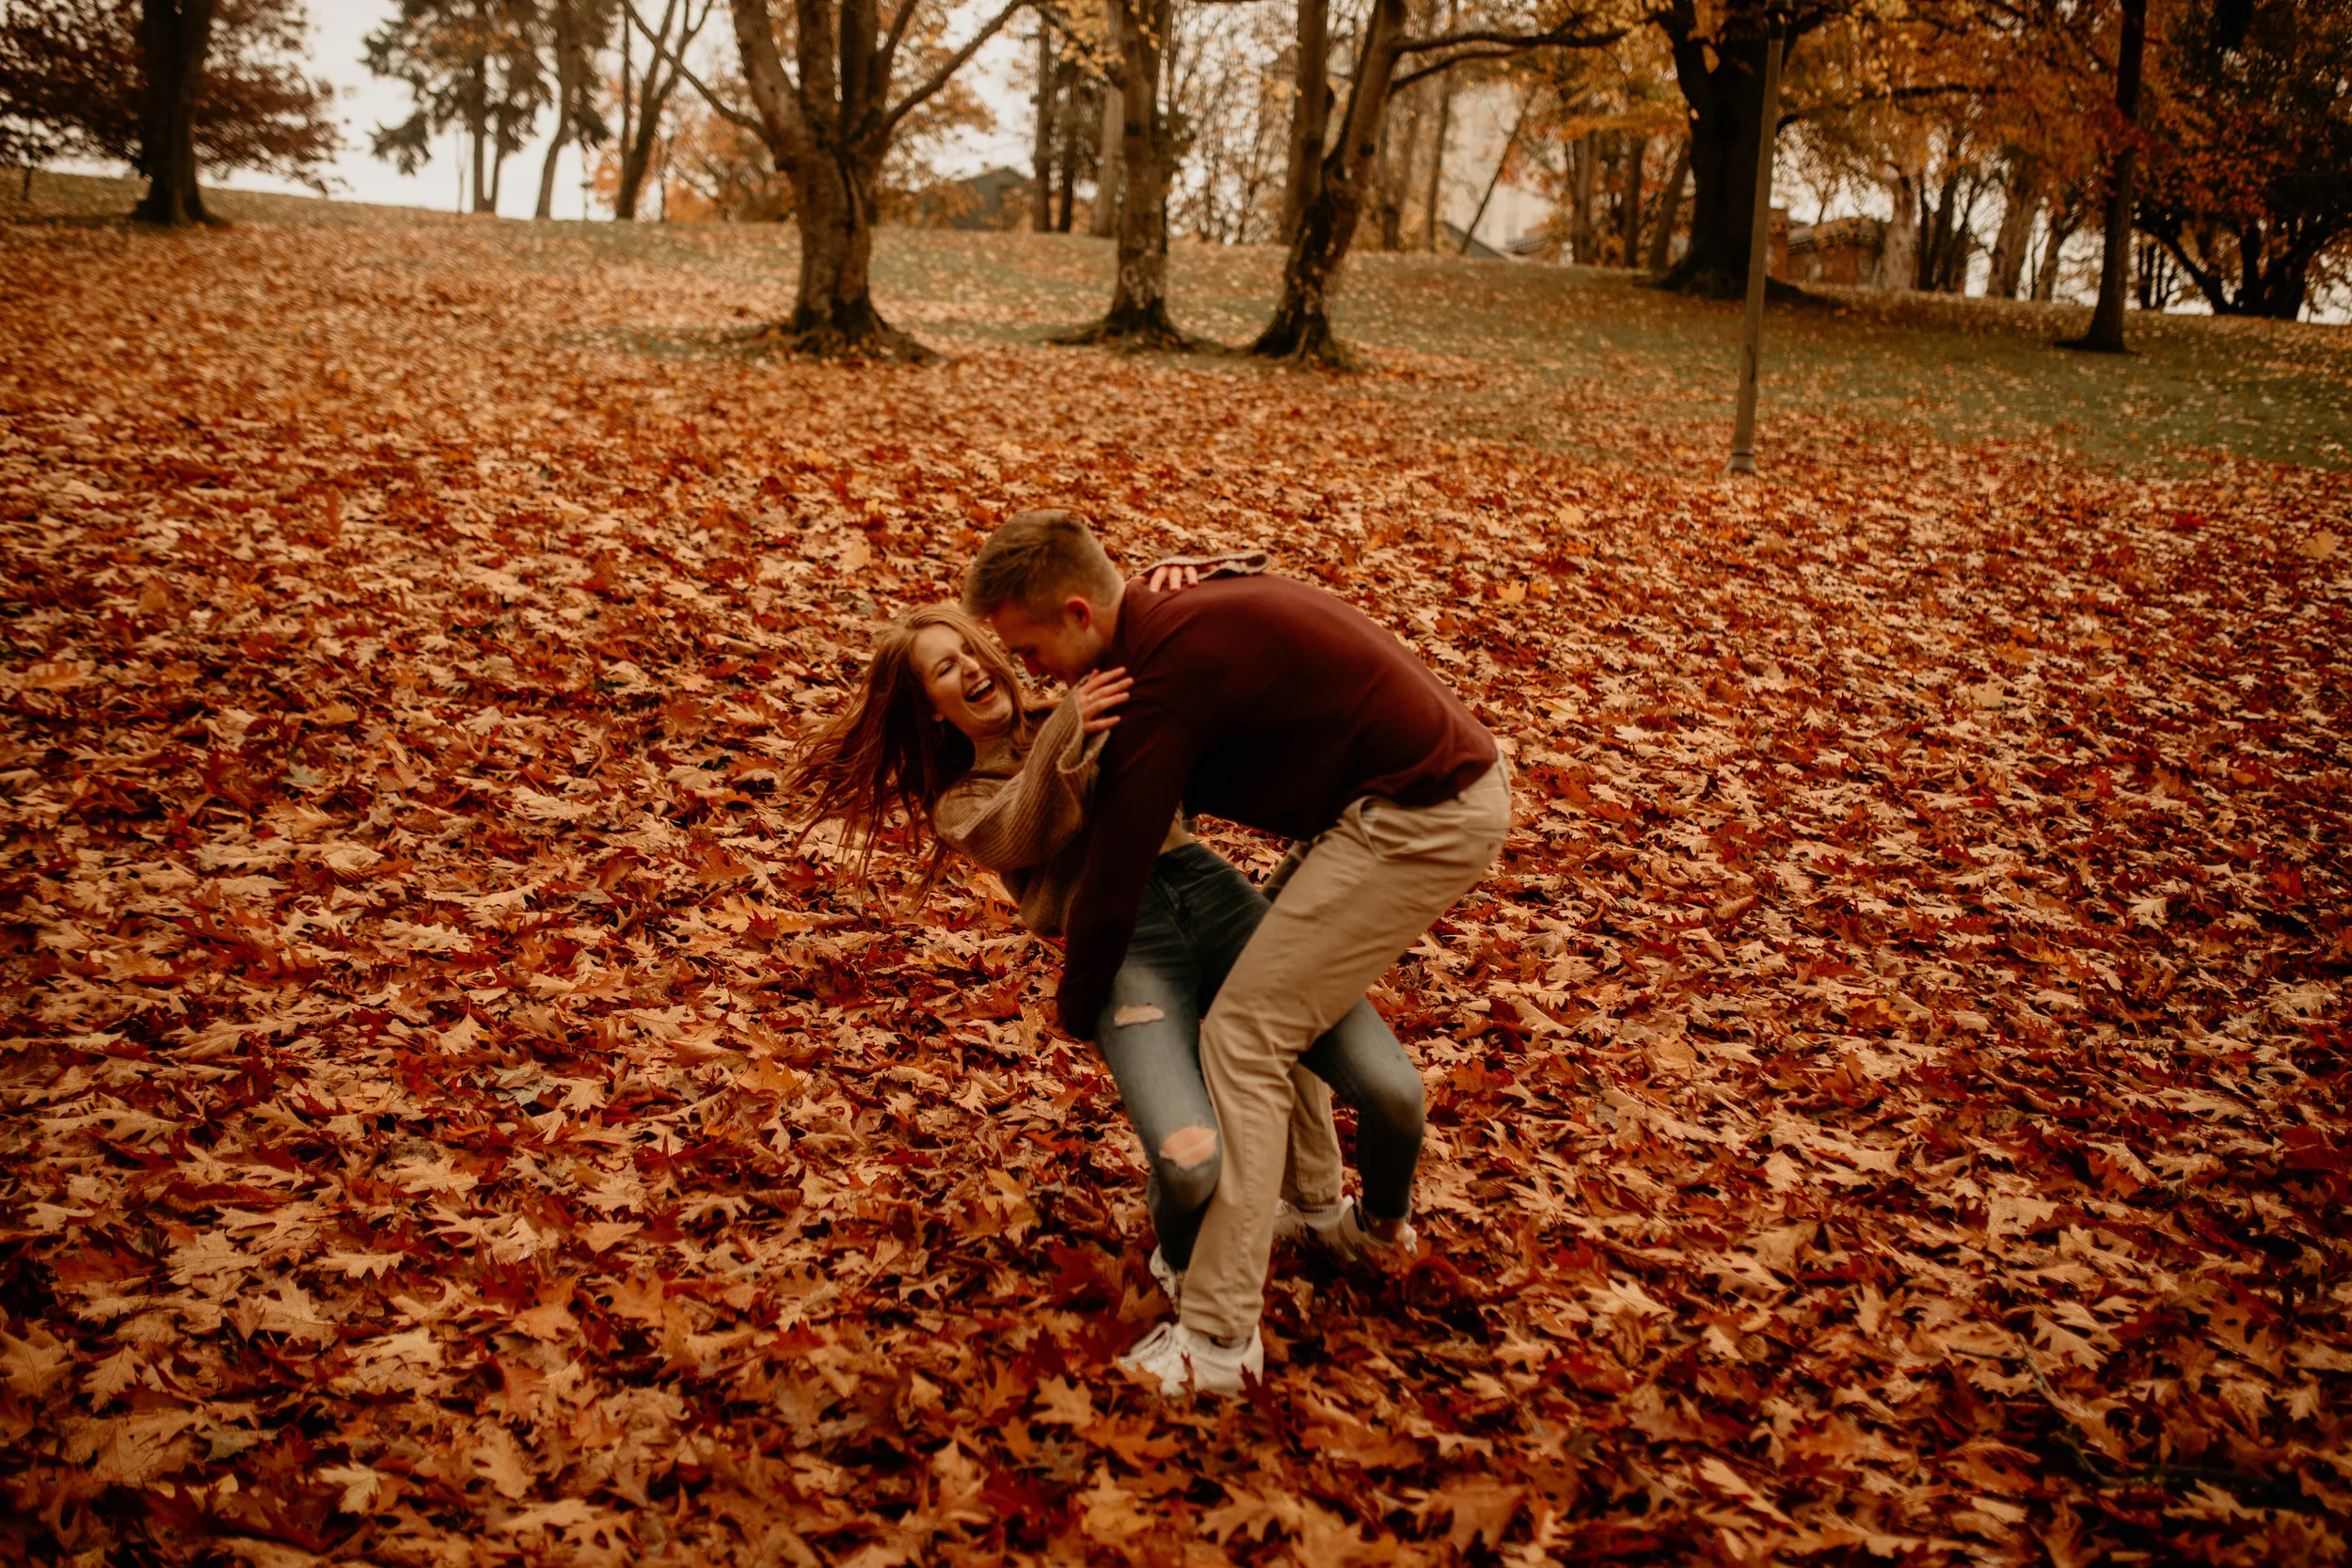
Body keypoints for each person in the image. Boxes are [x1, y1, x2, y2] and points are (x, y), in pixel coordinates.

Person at [963, 510, 1510, 1397]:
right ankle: (1316, 1213)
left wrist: (1076, 1006)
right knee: (1266, 997)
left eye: (1030, 652)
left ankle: (1217, 1340)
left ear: (1076, 611)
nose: (1031, 675)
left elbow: (1118, 868)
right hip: (1397, 801)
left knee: (1244, 1034)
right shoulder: (1166, 615)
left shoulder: (1162, 673)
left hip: (1419, 818)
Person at [787, 600, 1426, 1311]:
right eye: (945, 668)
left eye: (971, 649)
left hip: (1215, 898)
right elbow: (1023, 827)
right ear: (932, 709)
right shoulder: (964, 801)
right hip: (1126, 952)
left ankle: (1367, 1231)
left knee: (1394, 1093)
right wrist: (1070, 725)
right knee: (1190, 1165)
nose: (971, 667)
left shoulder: (1080, 701)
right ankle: (1186, 1274)